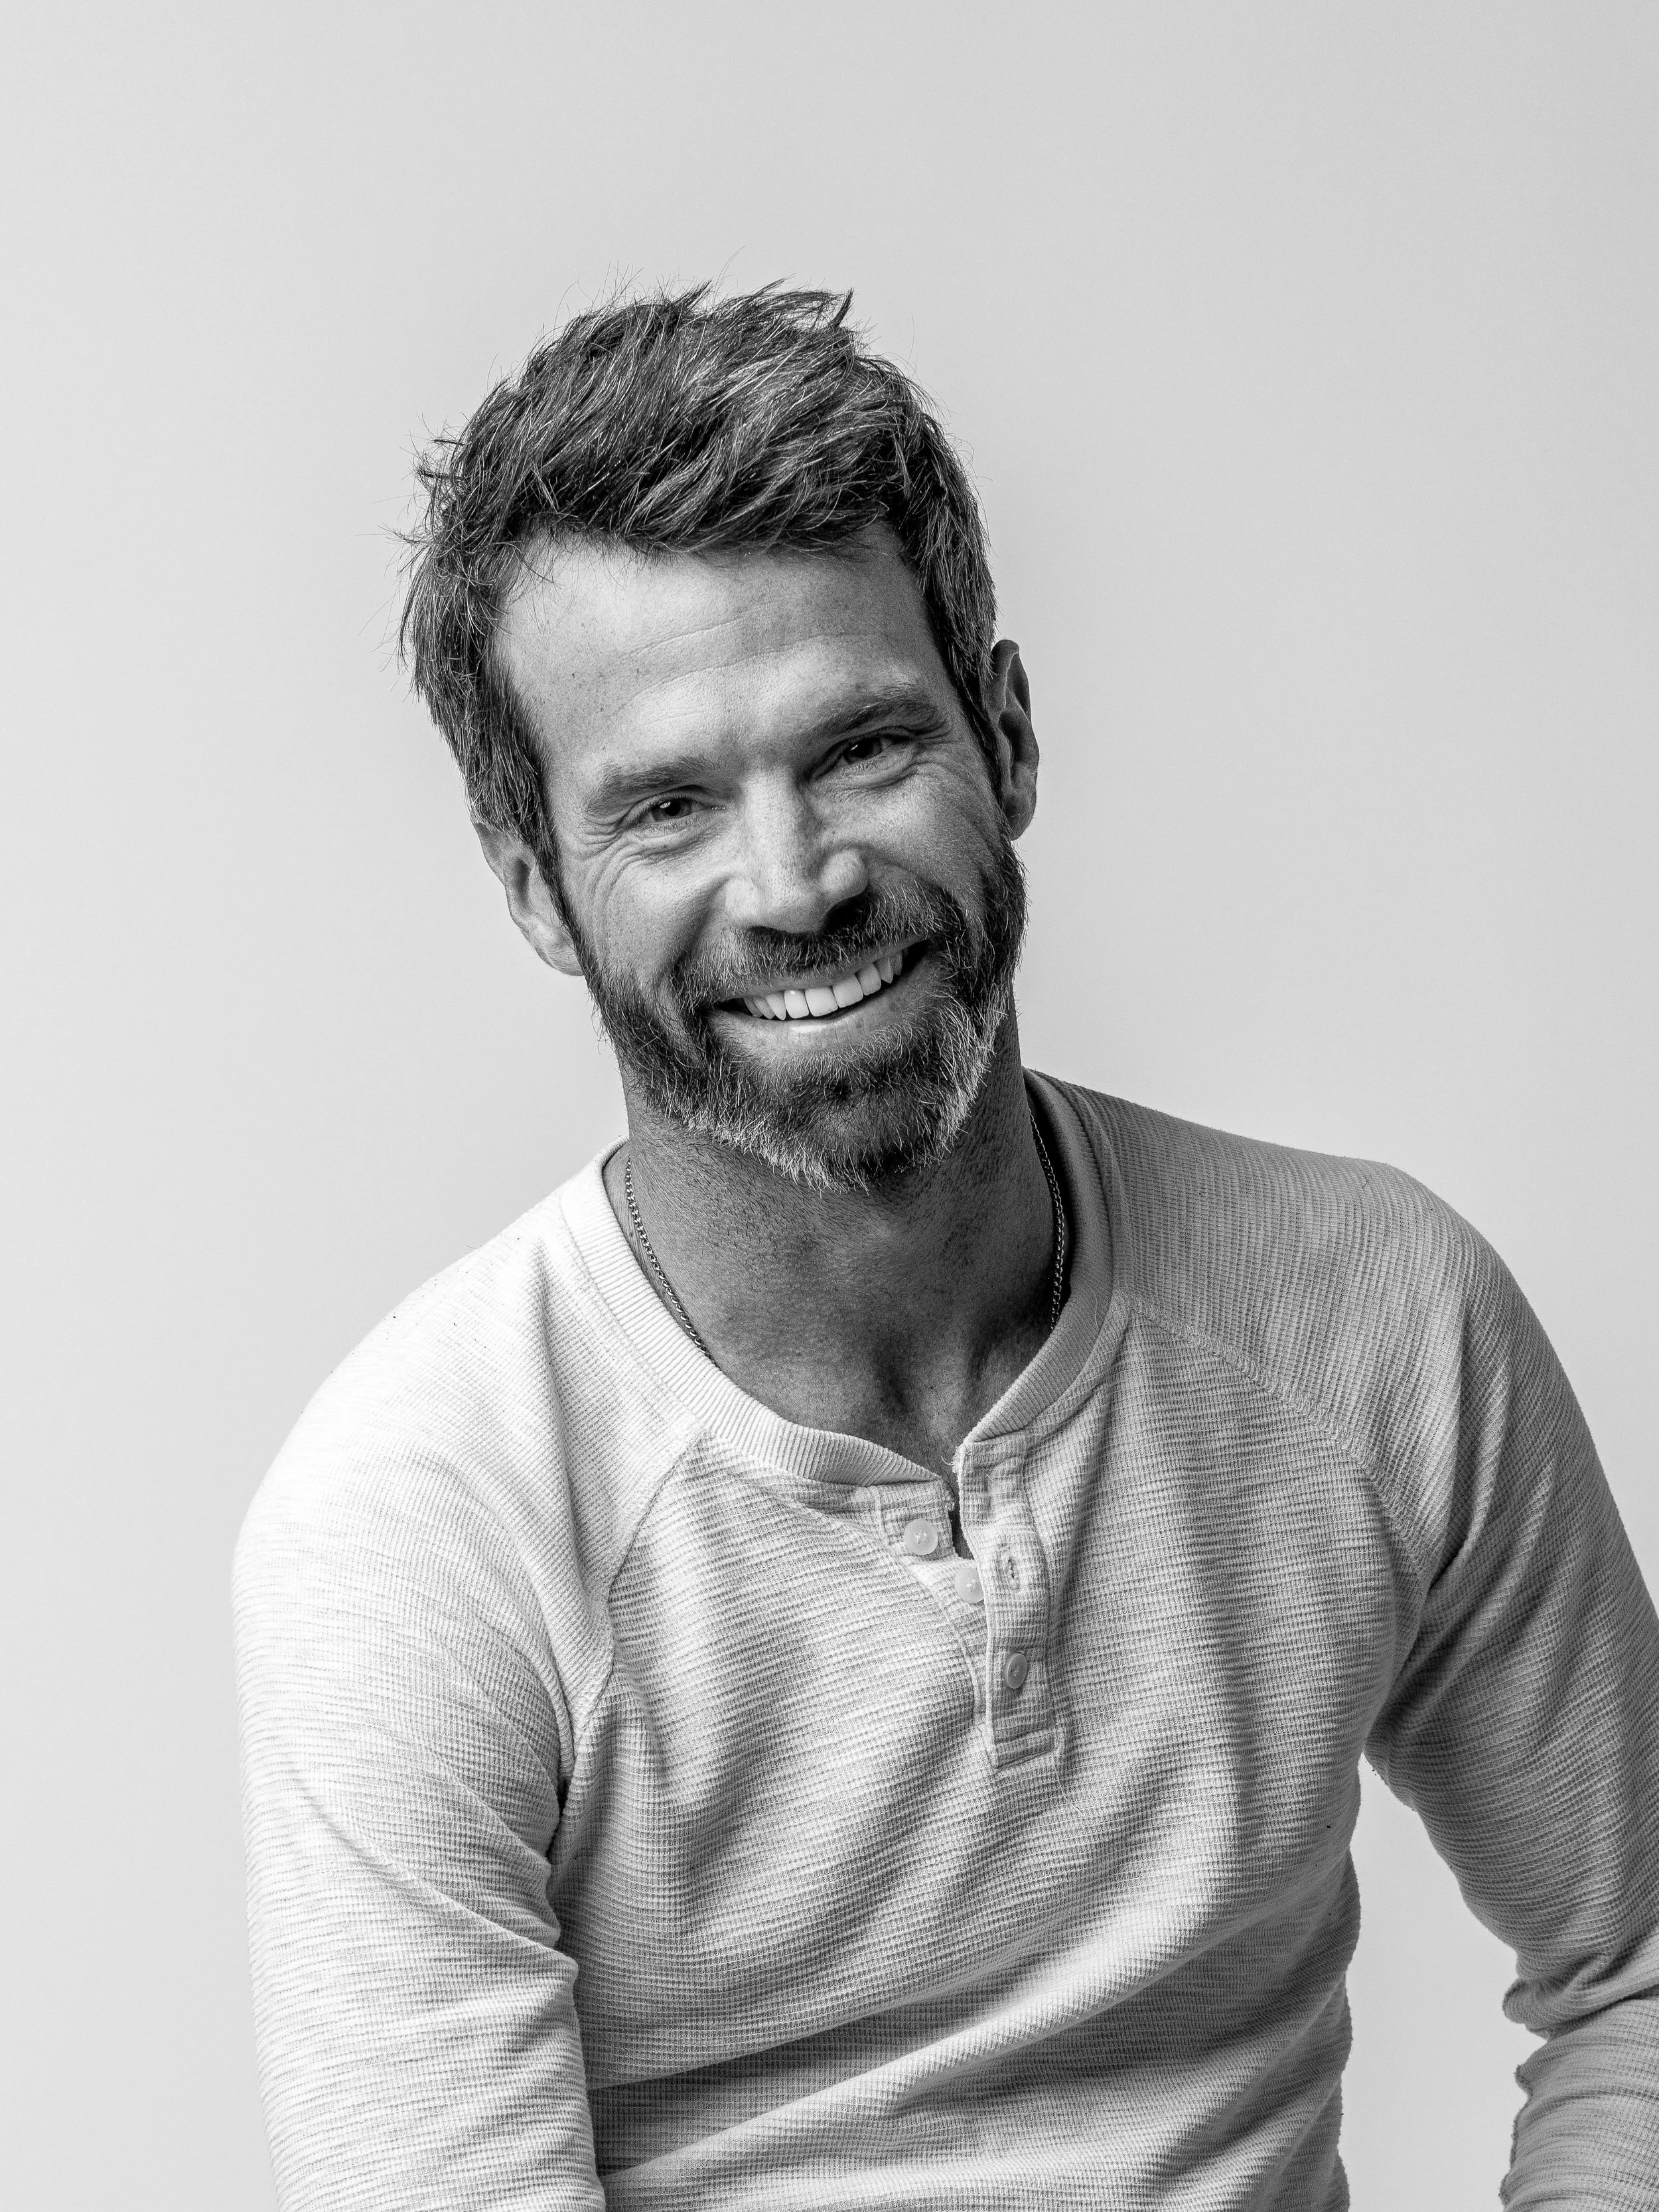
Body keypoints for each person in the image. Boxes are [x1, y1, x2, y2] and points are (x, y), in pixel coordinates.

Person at [233, 285, 1659, 2212]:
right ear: (536, 891)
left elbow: (1637, 1967)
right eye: (665, 805)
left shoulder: (1377, 1315)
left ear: (1002, 732)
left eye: (859, 748)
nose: (795, 878)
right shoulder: (423, 1514)